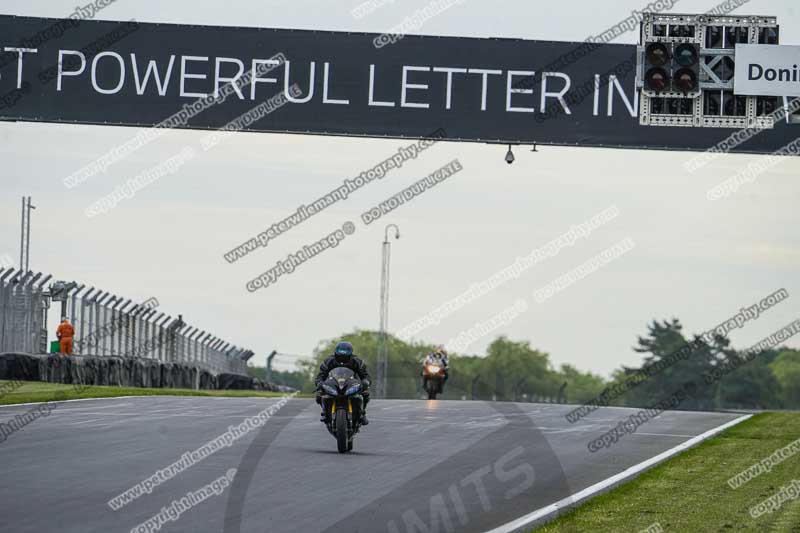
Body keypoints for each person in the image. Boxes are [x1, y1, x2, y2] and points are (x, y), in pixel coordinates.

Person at [315, 341, 371, 425]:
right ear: (336, 353)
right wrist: (319, 383)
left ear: (350, 354)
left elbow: (365, 375)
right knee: (319, 393)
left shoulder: (357, 362)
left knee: (365, 392)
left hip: (351, 383)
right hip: (333, 383)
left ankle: (362, 413)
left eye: (344, 357)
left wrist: (365, 382)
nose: (342, 359)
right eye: (340, 356)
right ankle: (324, 413)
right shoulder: (328, 361)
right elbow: (320, 375)